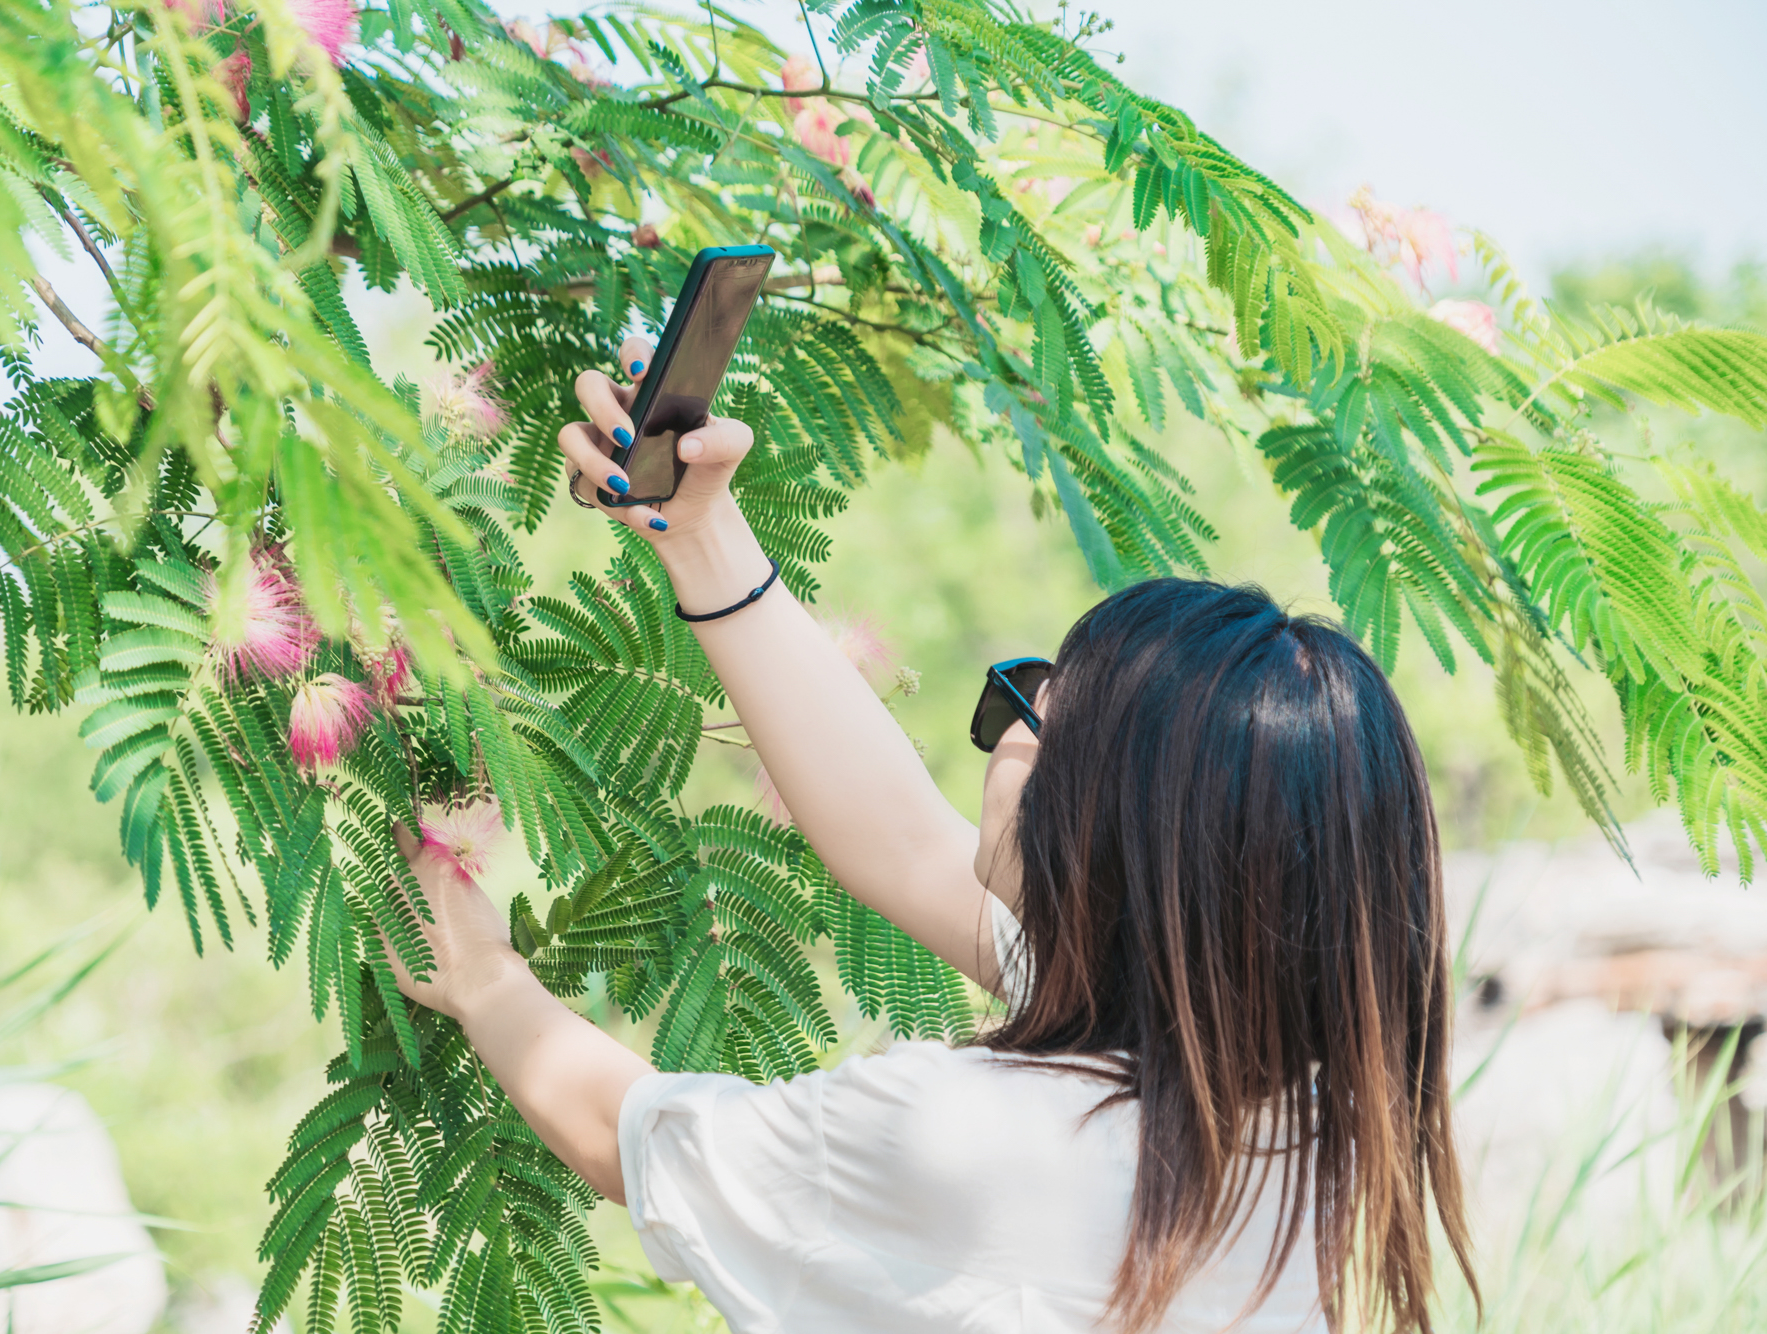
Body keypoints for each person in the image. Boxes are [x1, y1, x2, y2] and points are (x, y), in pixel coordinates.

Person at [380, 339, 1475, 1333]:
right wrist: (701, 534)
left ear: (1110, 829)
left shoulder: (964, 1138)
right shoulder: (1297, 1109)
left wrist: (479, 972)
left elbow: (633, 1137)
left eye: (1034, 708)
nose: (1007, 736)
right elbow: (900, 842)